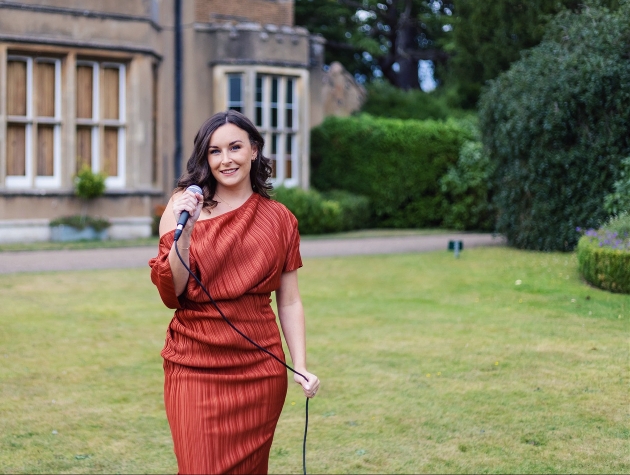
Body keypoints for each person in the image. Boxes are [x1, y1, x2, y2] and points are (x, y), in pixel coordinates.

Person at [149, 110, 320, 474]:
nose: (225, 160)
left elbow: (289, 300)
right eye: (214, 151)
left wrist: (300, 365)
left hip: (260, 371)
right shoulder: (181, 208)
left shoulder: (280, 219)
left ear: (254, 150)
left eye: (235, 147)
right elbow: (171, 293)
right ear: (205, 158)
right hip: (194, 364)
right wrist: (189, 231)